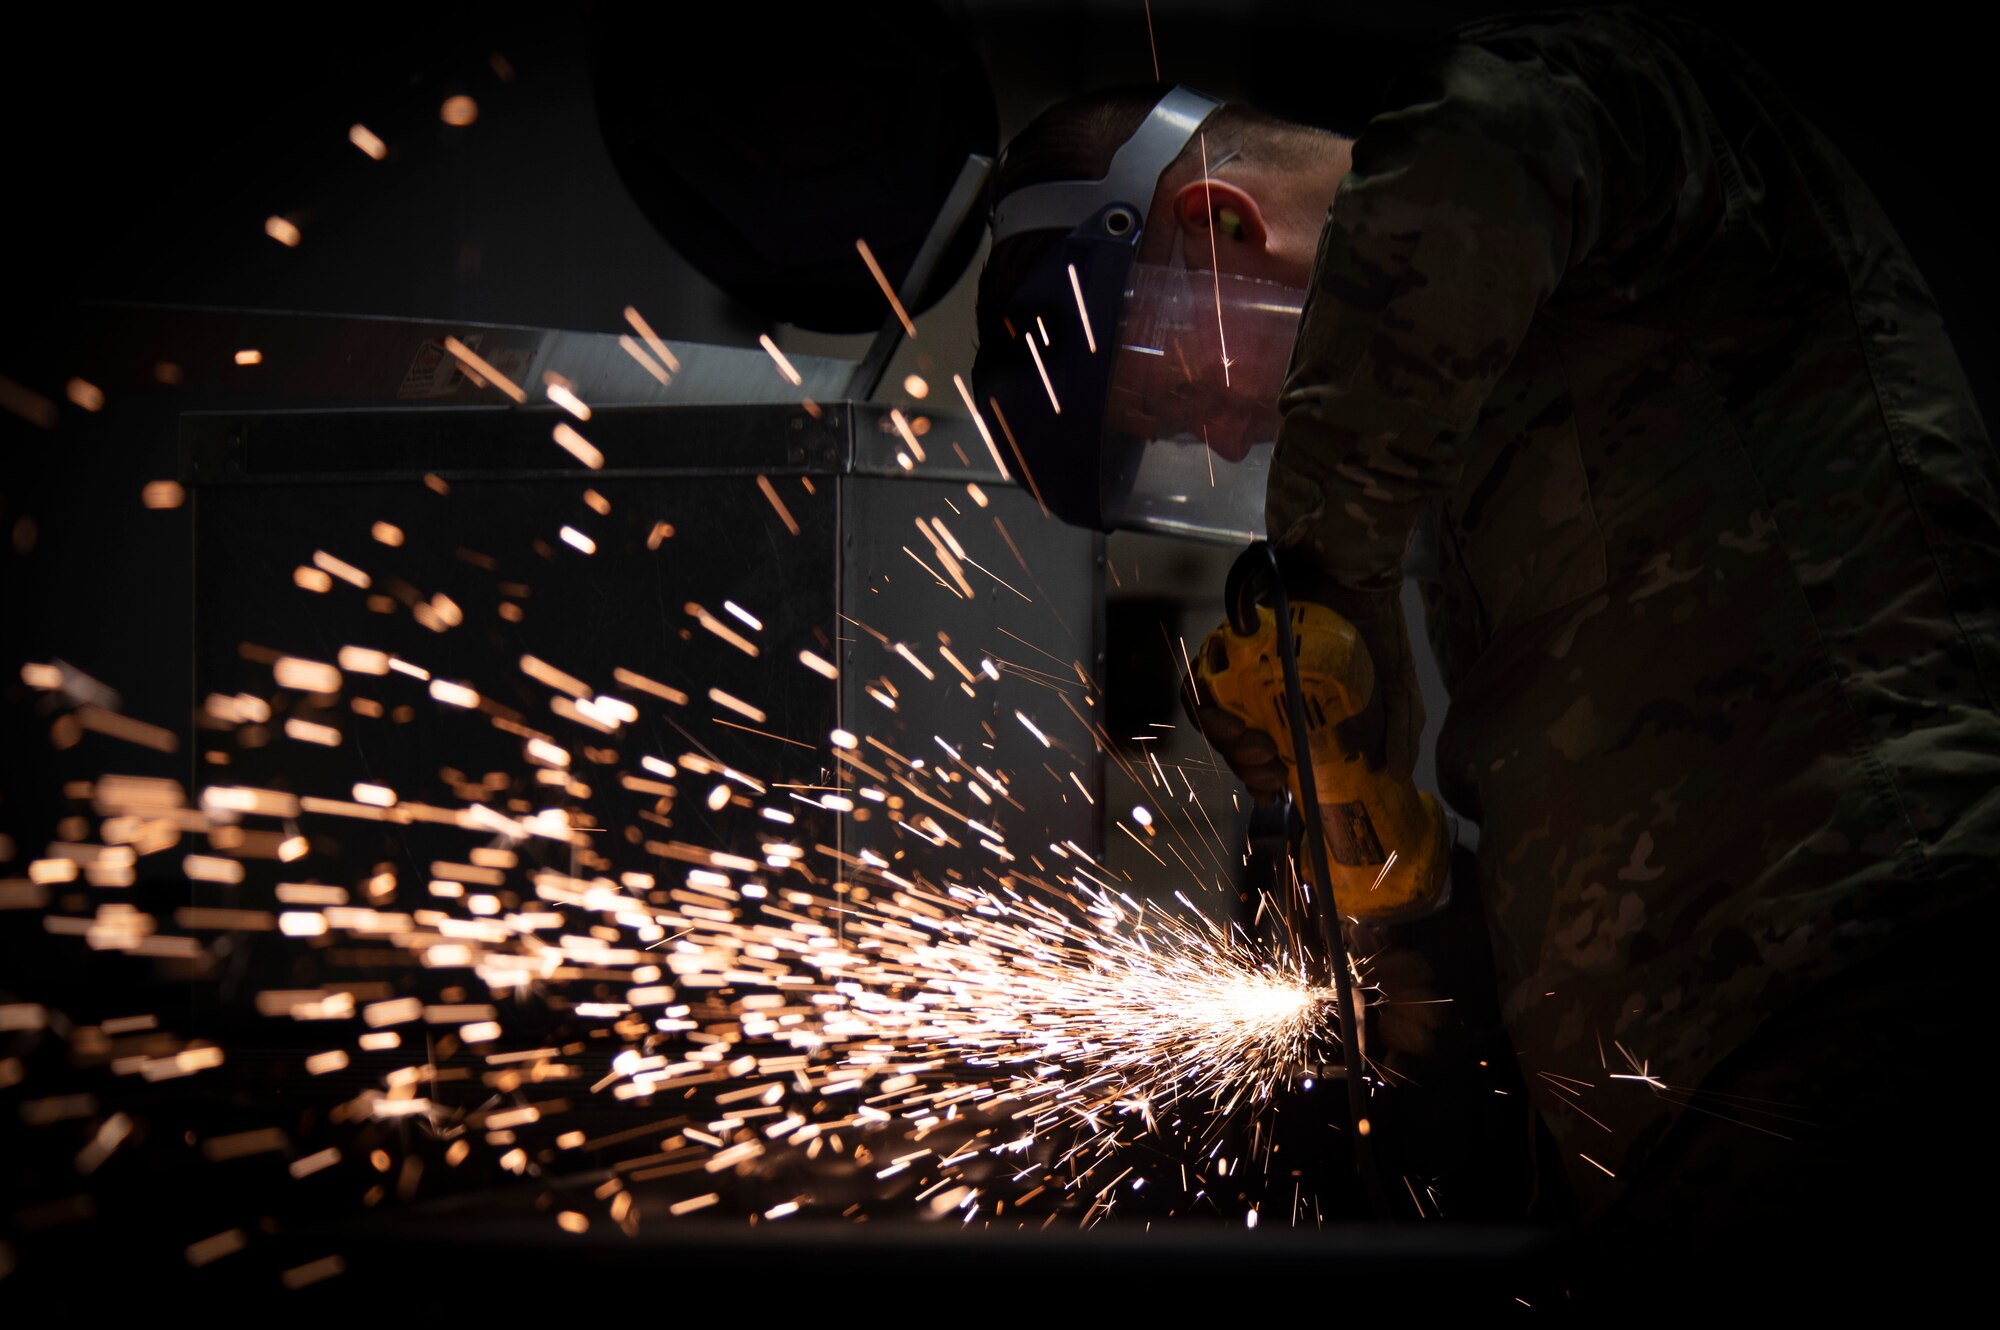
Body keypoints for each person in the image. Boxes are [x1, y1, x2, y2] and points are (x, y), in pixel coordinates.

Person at [971, 3, 1998, 1304]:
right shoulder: (1455, 465)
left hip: (1868, 973)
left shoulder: (1590, 102)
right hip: (1688, 1103)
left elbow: (1488, 150)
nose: (1228, 444)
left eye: (1185, 397)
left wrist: (1324, 580)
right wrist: (1365, 830)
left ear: (1218, 231)